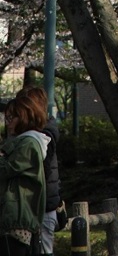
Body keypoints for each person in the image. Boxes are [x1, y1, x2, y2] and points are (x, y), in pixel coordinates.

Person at [0, 90, 49, 256]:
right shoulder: (26, 142)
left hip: (16, 220)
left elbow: (5, 169)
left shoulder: (28, 144)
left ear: (25, 117)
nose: (8, 123)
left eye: (11, 118)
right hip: (18, 218)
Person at [16, 89, 61, 256]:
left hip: (42, 207)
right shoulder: (41, 134)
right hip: (43, 205)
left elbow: (41, 172)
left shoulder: (39, 138)